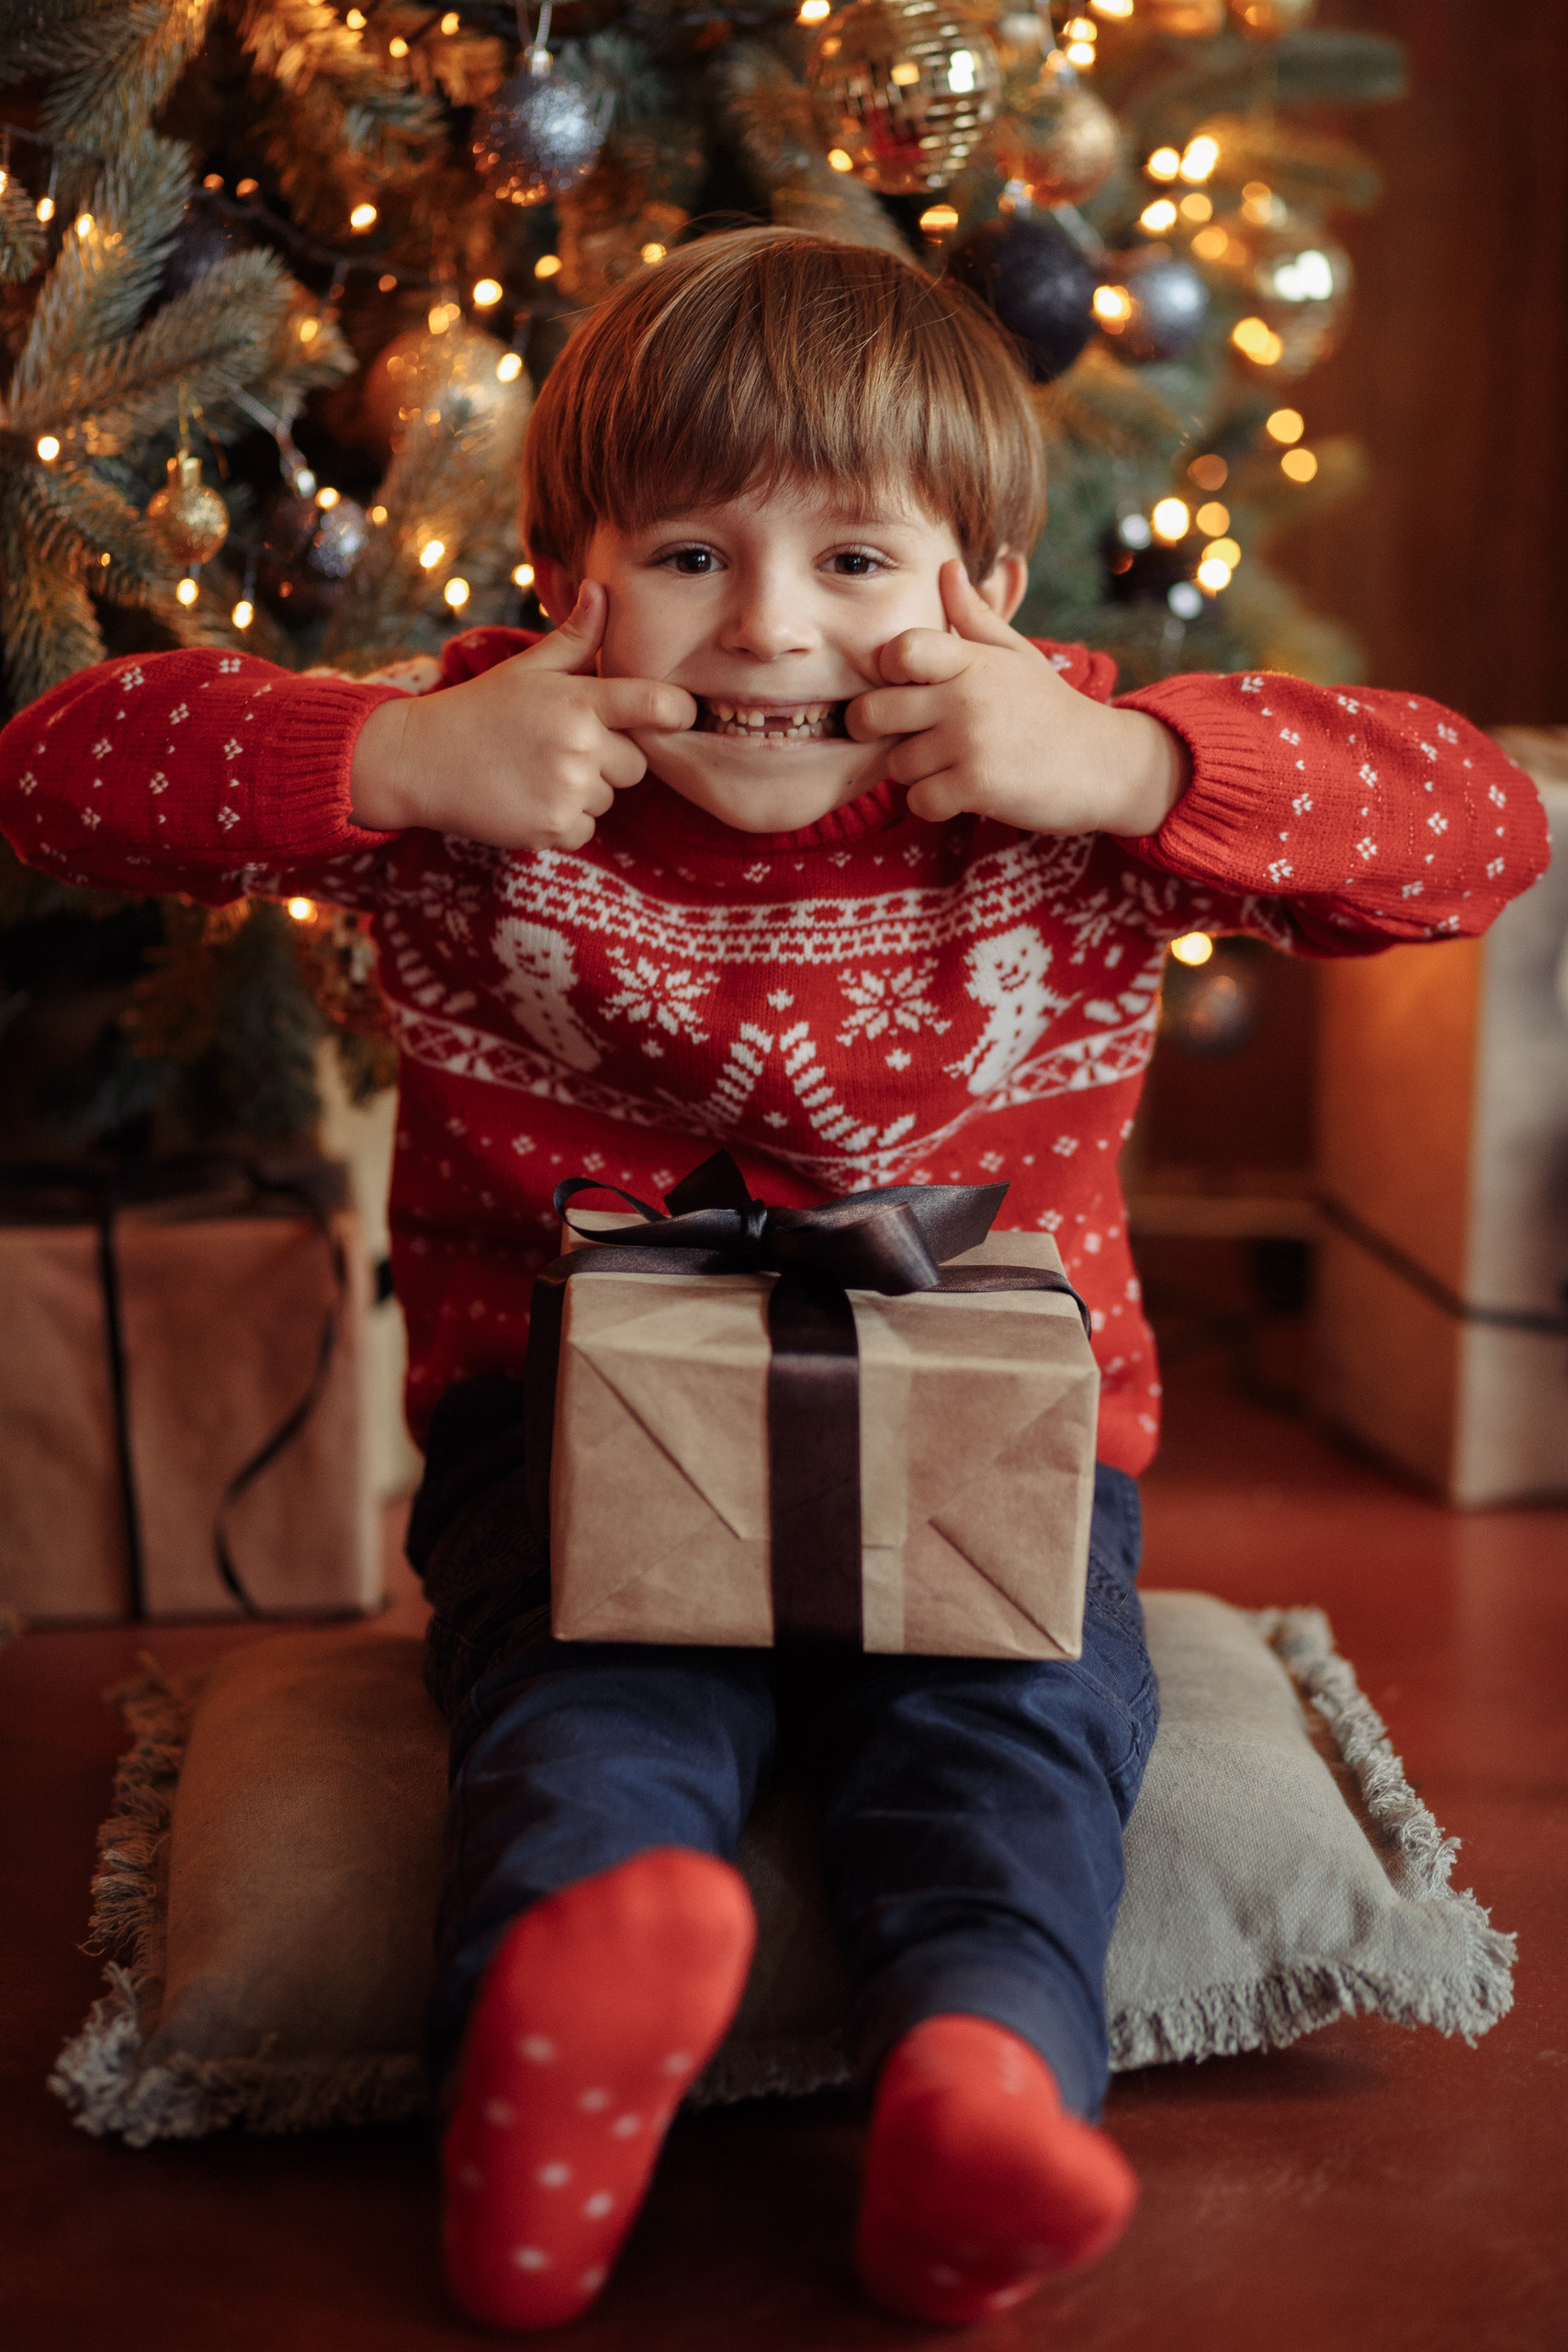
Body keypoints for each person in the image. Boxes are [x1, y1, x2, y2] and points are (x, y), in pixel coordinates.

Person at [0, 228, 1546, 2333]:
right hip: (567, 1437)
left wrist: (1140, 770)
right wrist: (367, 762)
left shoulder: (1065, 770)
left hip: (994, 1449)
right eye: (692, 557)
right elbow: (61, 773)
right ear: (574, 579)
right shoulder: (471, 759)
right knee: (587, 1705)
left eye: (851, 561)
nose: (767, 631)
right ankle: (569, 2015)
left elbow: (1479, 829)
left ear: (980, 589)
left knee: (1009, 1738)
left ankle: (971, 2086)